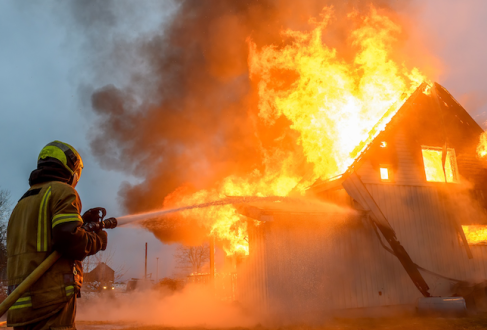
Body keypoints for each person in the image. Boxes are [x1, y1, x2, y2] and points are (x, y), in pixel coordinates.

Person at [6, 141, 108, 330]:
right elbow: (68, 239)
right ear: (72, 171)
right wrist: (98, 241)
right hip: (51, 298)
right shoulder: (64, 191)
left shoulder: (23, 202)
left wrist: (81, 222)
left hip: (21, 302)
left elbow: (46, 236)